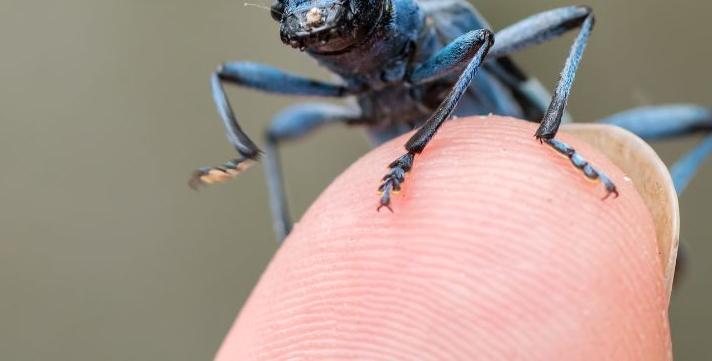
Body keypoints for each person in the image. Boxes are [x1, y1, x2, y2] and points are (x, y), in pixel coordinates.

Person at [218, 115, 673, 360]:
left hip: (522, 139)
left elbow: (490, 41)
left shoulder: (445, 28)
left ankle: (553, 135)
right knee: (276, 131)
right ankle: (289, 255)